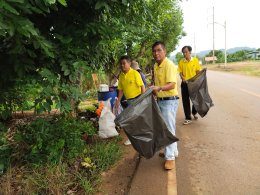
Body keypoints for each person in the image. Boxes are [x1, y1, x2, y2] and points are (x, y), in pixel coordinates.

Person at [151, 41, 179, 170]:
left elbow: (172, 84)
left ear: (164, 51)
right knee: (165, 128)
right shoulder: (156, 66)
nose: (156, 53)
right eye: (154, 51)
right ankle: (173, 151)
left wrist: (159, 88)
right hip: (161, 100)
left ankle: (170, 158)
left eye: (159, 50)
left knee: (169, 128)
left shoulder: (169, 65)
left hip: (169, 100)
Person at [116, 55, 145, 145]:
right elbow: (121, 90)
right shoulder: (121, 75)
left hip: (137, 99)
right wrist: (118, 101)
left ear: (129, 63)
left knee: (137, 119)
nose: (122, 65)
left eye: (124, 63)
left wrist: (142, 99)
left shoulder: (135, 73)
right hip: (129, 101)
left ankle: (140, 137)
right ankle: (133, 138)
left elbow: (142, 86)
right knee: (131, 120)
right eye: (121, 64)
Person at [178, 46, 201, 125]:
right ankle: (188, 117)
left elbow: (198, 71)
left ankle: (194, 112)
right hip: (184, 84)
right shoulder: (181, 62)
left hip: (194, 84)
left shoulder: (195, 60)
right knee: (185, 101)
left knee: (195, 100)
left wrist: (197, 80)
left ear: (190, 52)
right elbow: (180, 73)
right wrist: (183, 78)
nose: (185, 54)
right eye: (183, 52)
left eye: (186, 52)